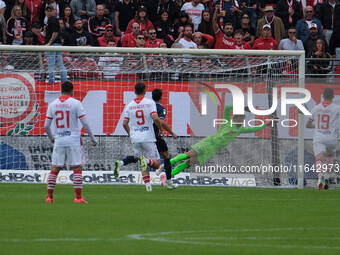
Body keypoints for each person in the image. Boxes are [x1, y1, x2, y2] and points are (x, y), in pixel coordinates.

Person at [170, 105, 276, 176]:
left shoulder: (240, 129)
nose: (243, 121)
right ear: (236, 117)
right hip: (208, 142)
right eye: (242, 119)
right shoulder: (228, 121)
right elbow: (227, 108)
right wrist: (241, 107)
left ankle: (169, 175)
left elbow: (254, 128)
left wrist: (266, 123)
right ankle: (167, 164)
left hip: (212, 150)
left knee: (189, 163)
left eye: (243, 119)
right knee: (188, 155)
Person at [114, 88, 179, 190]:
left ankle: (124, 164)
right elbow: (160, 121)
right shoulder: (159, 107)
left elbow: (126, 123)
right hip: (153, 135)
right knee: (165, 157)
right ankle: (169, 183)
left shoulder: (145, 105)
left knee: (138, 157)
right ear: (161, 97)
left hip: (141, 135)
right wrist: (172, 132)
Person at [44, 81, 97, 203]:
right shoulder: (76, 103)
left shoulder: (53, 104)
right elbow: (84, 123)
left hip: (59, 140)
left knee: (55, 168)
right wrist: (92, 138)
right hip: (73, 140)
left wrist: (52, 138)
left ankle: (49, 197)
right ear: (72, 90)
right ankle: (78, 197)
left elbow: (46, 125)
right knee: (77, 167)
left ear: (61, 90)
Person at [306, 88, 340, 190]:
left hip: (319, 137)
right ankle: (328, 176)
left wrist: (317, 126)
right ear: (333, 96)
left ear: (323, 96)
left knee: (319, 159)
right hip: (332, 138)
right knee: (329, 156)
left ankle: (320, 175)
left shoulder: (316, 108)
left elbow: (308, 125)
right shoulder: (337, 108)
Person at [44, 5, 68, 83]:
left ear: (54, 11)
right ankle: (64, 81)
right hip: (58, 44)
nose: (49, 12)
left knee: (51, 65)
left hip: (53, 45)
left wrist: (49, 43)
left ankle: (51, 82)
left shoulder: (52, 20)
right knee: (60, 64)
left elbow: (55, 32)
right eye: (48, 11)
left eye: (51, 11)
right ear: (45, 12)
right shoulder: (53, 20)